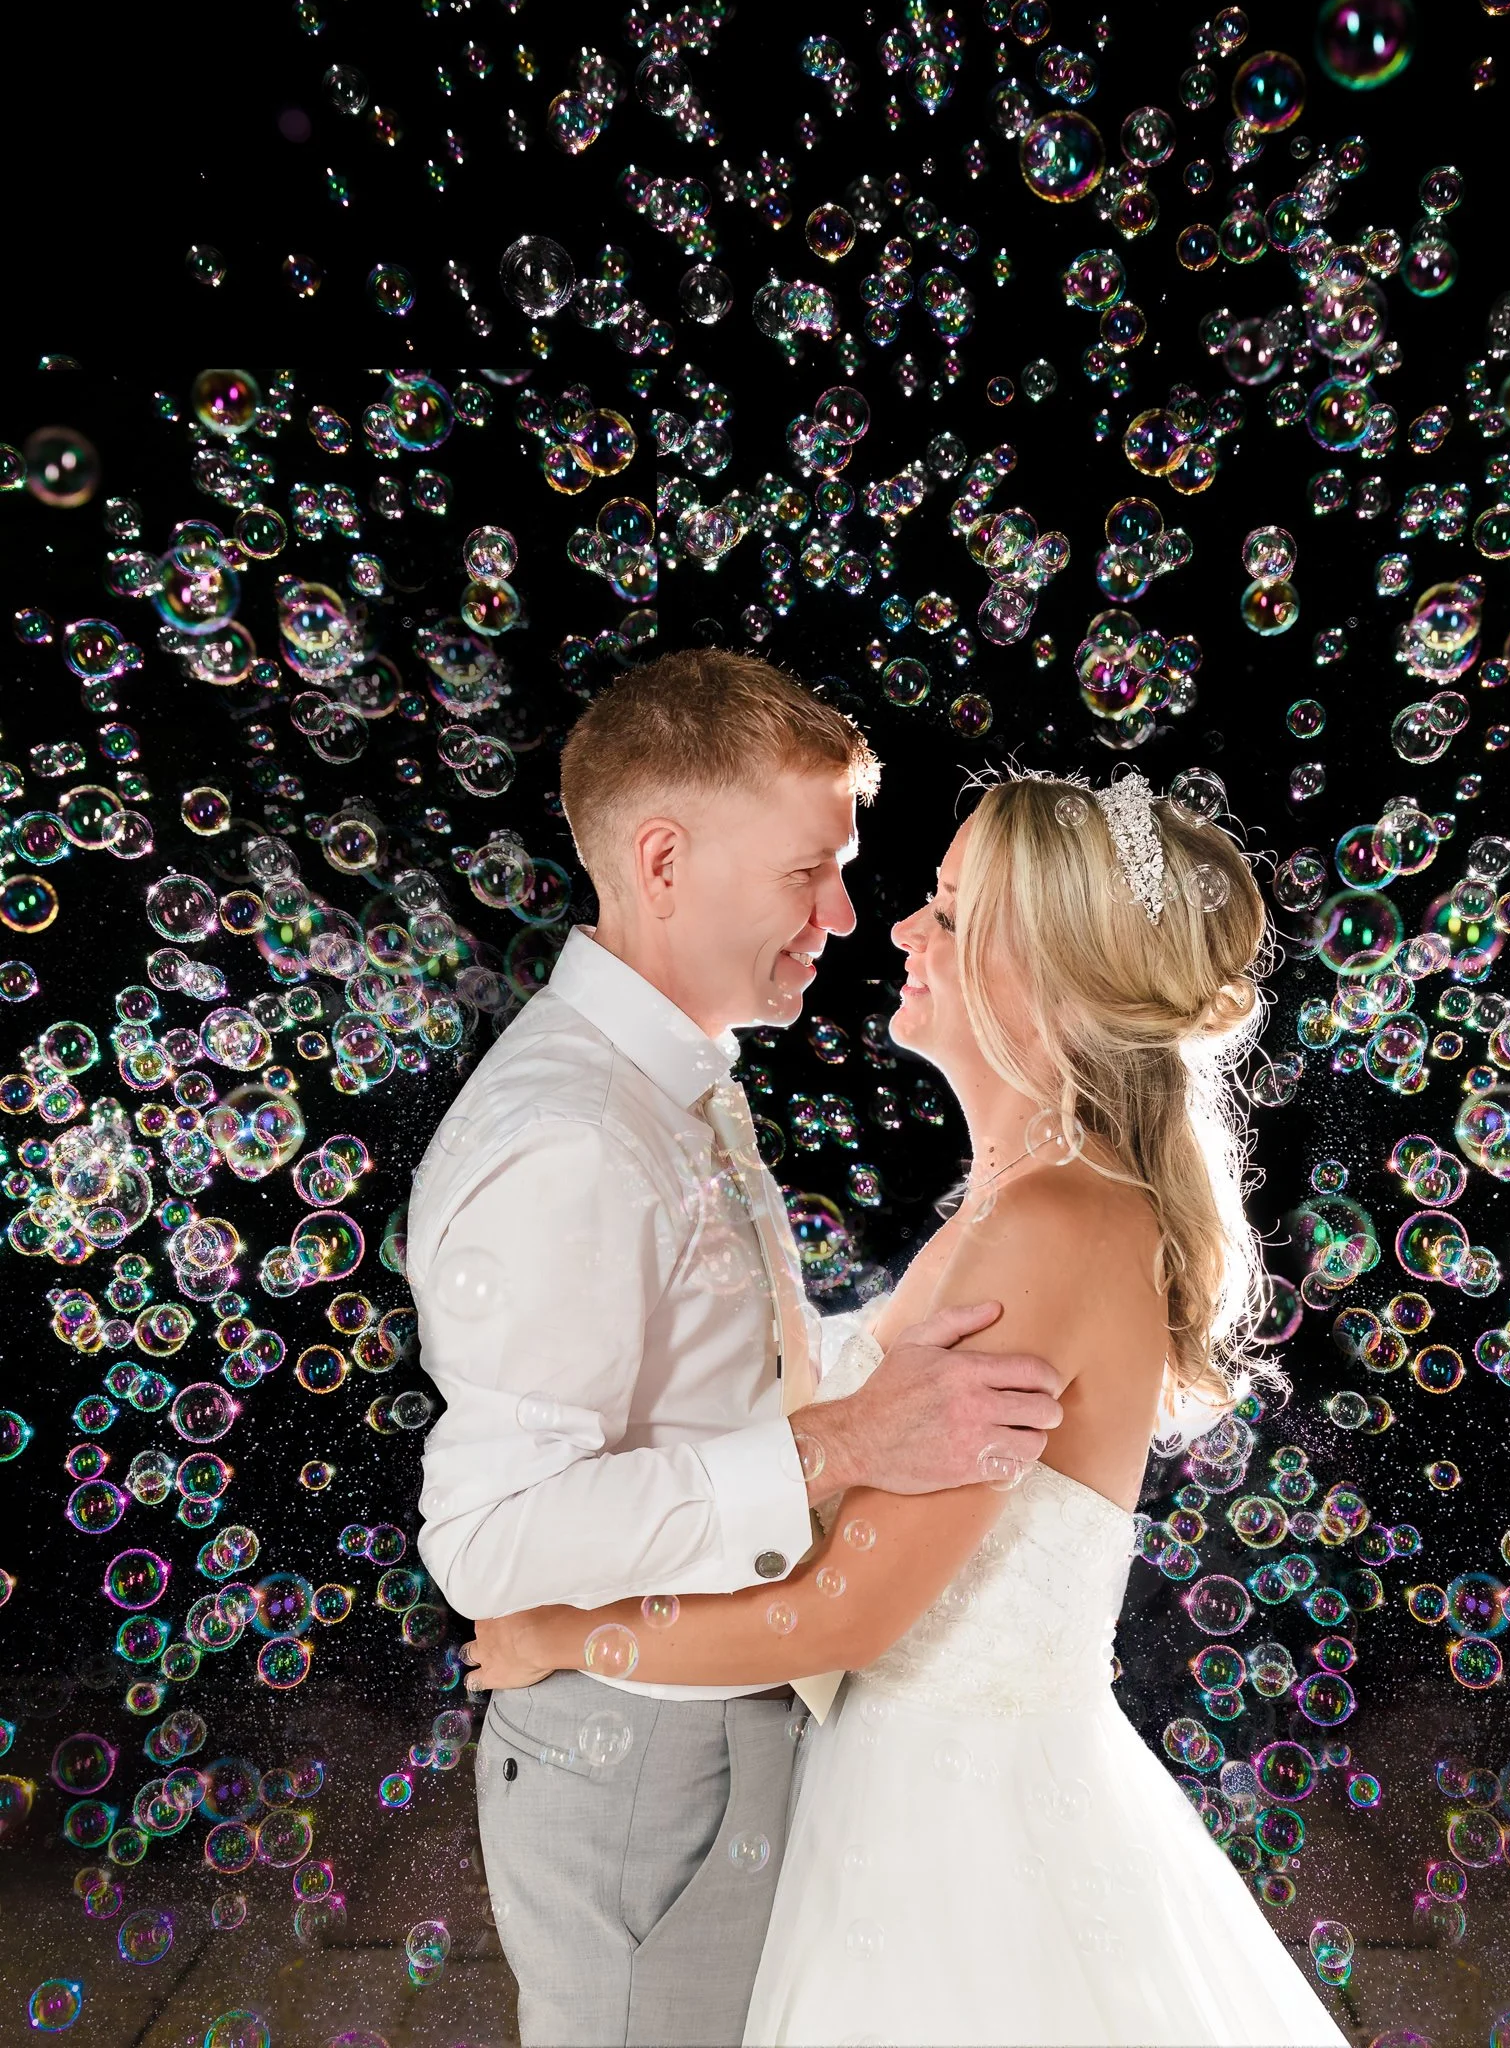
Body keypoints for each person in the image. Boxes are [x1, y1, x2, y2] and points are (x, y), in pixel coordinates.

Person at [464, 766, 1352, 2048]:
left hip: (956, 1838)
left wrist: (569, 1632)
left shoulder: (1048, 1226)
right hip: (928, 1793)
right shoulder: (1029, 1204)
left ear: (1040, 966)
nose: (899, 932)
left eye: (946, 907)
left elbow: (844, 1606)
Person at [410, 648, 1071, 2048]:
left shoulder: (672, 1086)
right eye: (806, 871)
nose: (845, 913)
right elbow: (491, 1538)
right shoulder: (569, 1132)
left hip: (714, 1726)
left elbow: (721, 1378)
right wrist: (848, 1443)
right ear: (663, 858)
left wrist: (891, 1348)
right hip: (648, 1762)